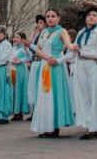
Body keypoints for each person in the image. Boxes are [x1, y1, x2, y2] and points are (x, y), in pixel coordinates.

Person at [30, 8, 75, 138]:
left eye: (53, 16)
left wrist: (73, 48)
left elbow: (68, 45)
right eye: (48, 16)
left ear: (58, 18)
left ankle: (55, 126)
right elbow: (37, 49)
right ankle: (45, 125)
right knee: (44, 96)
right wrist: (47, 57)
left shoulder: (62, 31)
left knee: (54, 95)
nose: (50, 18)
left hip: (56, 66)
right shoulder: (43, 32)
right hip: (45, 64)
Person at [71, 4, 97, 139]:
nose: (92, 17)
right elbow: (73, 51)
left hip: (94, 66)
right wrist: (58, 60)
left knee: (95, 96)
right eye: (89, 15)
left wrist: (81, 51)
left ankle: (94, 127)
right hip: (81, 66)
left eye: (94, 15)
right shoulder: (81, 33)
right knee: (84, 96)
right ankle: (88, 126)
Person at [26, 14, 47, 121]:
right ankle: (34, 111)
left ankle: (40, 111)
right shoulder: (36, 35)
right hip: (34, 62)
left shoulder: (45, 34)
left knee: (39, 86)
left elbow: (41, 48)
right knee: (33, 86)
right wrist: (27, 48)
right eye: (38, 23)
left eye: (41, 23)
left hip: (41, 61)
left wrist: (29, 45)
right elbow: (30, 53)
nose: (38, 25)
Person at [11, 32, 31, 121]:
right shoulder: (13, 48)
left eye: (17, 37)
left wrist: (20, 60)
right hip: (13, 70)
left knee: (20, 89)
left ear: (22, 39)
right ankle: (15, 111)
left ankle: (20, 112)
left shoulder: (24, 48)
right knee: (14, 90)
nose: (14, 39)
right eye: (14, 37)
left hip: (21, 70)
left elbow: (29, 57)